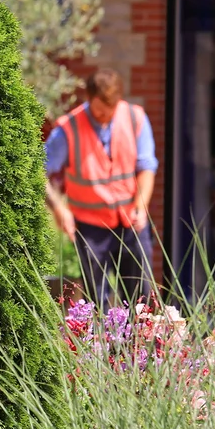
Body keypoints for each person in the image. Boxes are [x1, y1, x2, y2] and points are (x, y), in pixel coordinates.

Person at [45, 68, 158, 304]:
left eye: (110, 111)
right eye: (99, 111)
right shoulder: (68, 130)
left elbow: (147, 166)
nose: (105, 117)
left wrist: (142, 205)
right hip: (90, 227)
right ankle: (101, 342)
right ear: (88, 98)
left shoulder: (136, 118)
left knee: (140, 302)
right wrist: (59, 208)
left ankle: (137, 342)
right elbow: (37, 172)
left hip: (130, 221)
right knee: (97, 299)